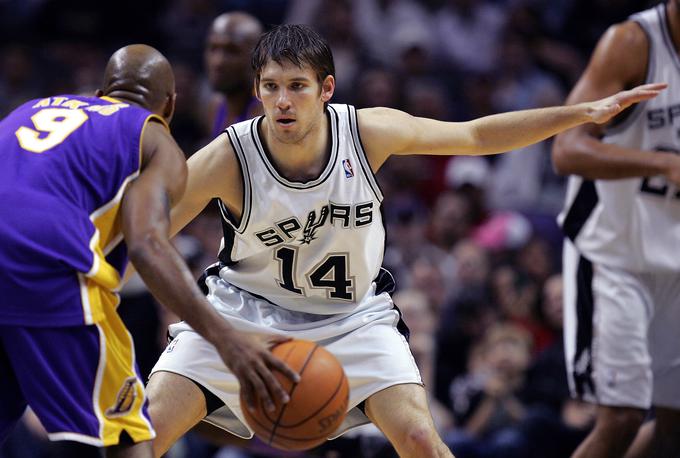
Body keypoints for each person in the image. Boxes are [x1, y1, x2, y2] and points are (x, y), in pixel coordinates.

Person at [146, 24, 663, 458]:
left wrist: (581, 114)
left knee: (421, 439)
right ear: (257, 89)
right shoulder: (227, 156)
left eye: (297, 86)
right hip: (244, 317)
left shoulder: (368, 132)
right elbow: (146, 234)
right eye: (272, 86)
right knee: (145, 430)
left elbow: (476, 135)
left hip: (351, 320)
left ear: (326, 89)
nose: (283, 101)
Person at [0, 44, 297, 458]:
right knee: (131, 438)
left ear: (103, 91)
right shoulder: (153, 138)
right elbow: (148, 245)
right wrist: (228, 340)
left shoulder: (29, 110)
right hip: (47, 270)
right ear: (170, 105)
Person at [552, 1, 680, 457]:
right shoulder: (633, 43)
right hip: (613, 253)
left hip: (674, 258)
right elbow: (566, 149)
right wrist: (664, 163)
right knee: (621, 417)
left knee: (675, 423)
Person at [204, 12, 263, 138]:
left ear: (258, 58)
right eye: (213, 48)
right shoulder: (214, 108)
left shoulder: (266, 116)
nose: (218, 61)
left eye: (232, 51)